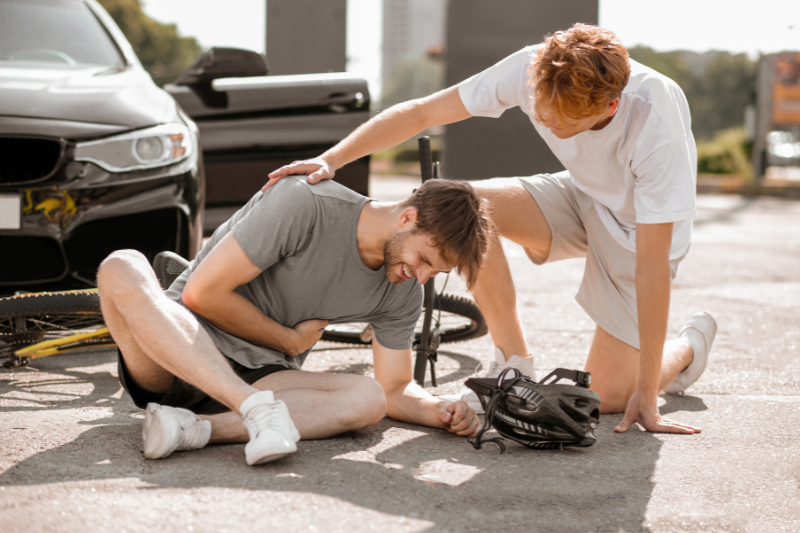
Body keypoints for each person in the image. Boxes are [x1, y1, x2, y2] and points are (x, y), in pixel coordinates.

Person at [263, 24, 718, 435]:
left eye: (563, 120)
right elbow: (423, 112)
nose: (549, 124)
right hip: (582, 197)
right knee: (467, 205)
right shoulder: (532, 67)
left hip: (638, 233)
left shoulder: (655, 119)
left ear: (610, 104)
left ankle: (686, 349)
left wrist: (648, 397)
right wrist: (333, 158)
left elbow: (653, 266)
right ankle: (515, 362)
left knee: (610, 399)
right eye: (542, 111)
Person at [97, 176, 490, 465]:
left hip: (264, 376)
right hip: (177, 348)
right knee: (121, 264)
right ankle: (252, 409)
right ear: (407, 217)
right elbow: (202, 294)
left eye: (435, 273)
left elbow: (396, 387)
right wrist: (288, 341)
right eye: (424, 259)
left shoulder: (401, 290)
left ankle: (193, 428)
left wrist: (439, 410)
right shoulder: (304, 202)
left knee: (368, 398)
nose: (421, 276)